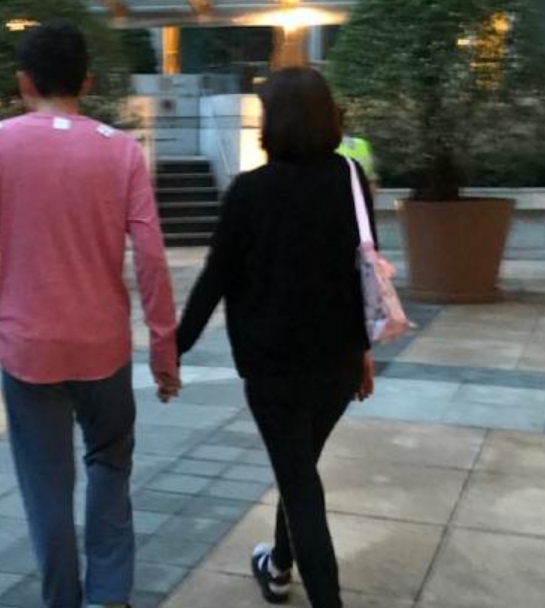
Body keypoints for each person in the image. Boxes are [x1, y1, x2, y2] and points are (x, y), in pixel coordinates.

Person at [0, 22, 181, 608]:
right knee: (110, 464)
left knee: (46, 486)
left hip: (28, 349)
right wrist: (164, 349)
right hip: (104, 348)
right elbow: (152, 256)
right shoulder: (121, 151)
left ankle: (62, 598)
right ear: (86, 81)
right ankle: (109, 595)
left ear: (23, 82)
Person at [176, 67, 377, 608]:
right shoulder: (350, 179)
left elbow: (214, 280)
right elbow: (365, 272)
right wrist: (363, 350)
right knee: (299, 471)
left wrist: (174, 348)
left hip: (274, 373)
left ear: (273, 121)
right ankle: (279, 565)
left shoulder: (249, 192)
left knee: (300, 484)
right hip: (336, 367)